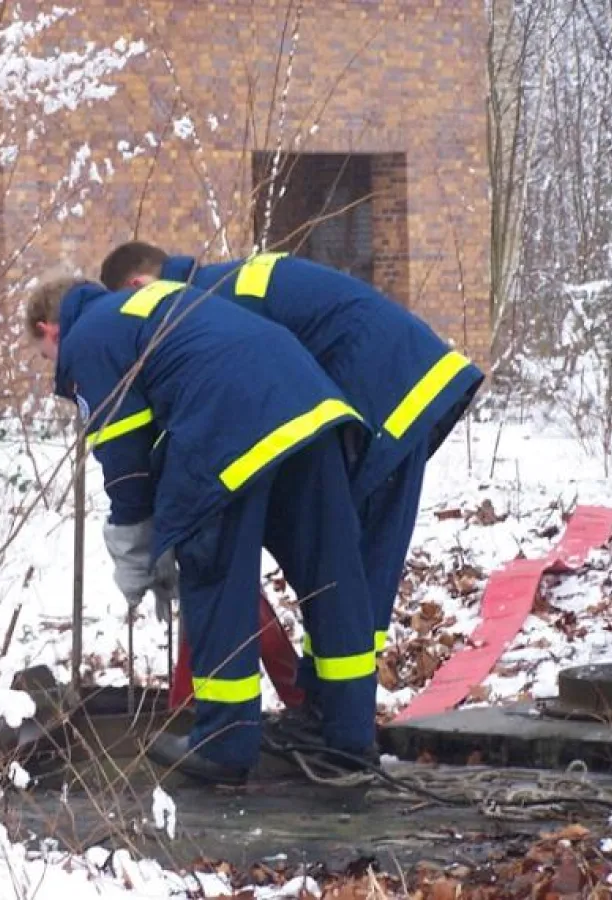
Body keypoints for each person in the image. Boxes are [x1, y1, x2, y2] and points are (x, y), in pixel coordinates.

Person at [25, 275, 378, 784]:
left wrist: (136, 551)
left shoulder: (87, 338)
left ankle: (223, 744)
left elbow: (124, 459)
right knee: (330, 576)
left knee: (214, 574)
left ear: (50, 331)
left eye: (45, 357)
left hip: (228, 422)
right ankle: (349, 735)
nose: (54, 368)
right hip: (312, 407)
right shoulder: (154, 304)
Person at [99, 242, 484, 693]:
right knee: (345, 567)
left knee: (355, 570)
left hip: (385, 395)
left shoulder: (202, 307)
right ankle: (330, 705)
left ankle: (335, 713)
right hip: (392, 386)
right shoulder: (218, 287)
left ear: (137, 286)